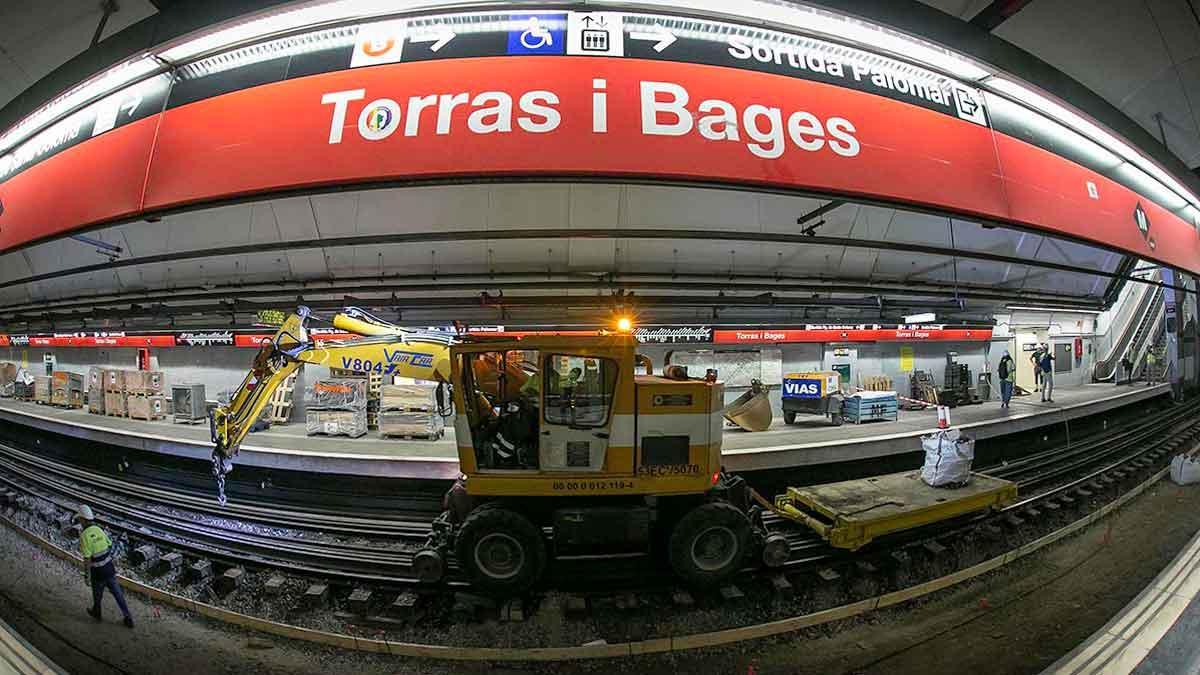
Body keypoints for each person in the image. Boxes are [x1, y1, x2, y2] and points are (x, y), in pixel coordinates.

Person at [77, 506, 134, 628]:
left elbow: (87, 559)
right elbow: (109, 544)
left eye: (80, 519)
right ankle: (128, 617)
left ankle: (97, 613)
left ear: (83, 519)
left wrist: (87, 575)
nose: (79, 522)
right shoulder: (99, 529)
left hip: (98, 573)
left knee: (97, 595)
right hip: (109, 569)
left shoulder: (84, 536)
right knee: (118, 594)